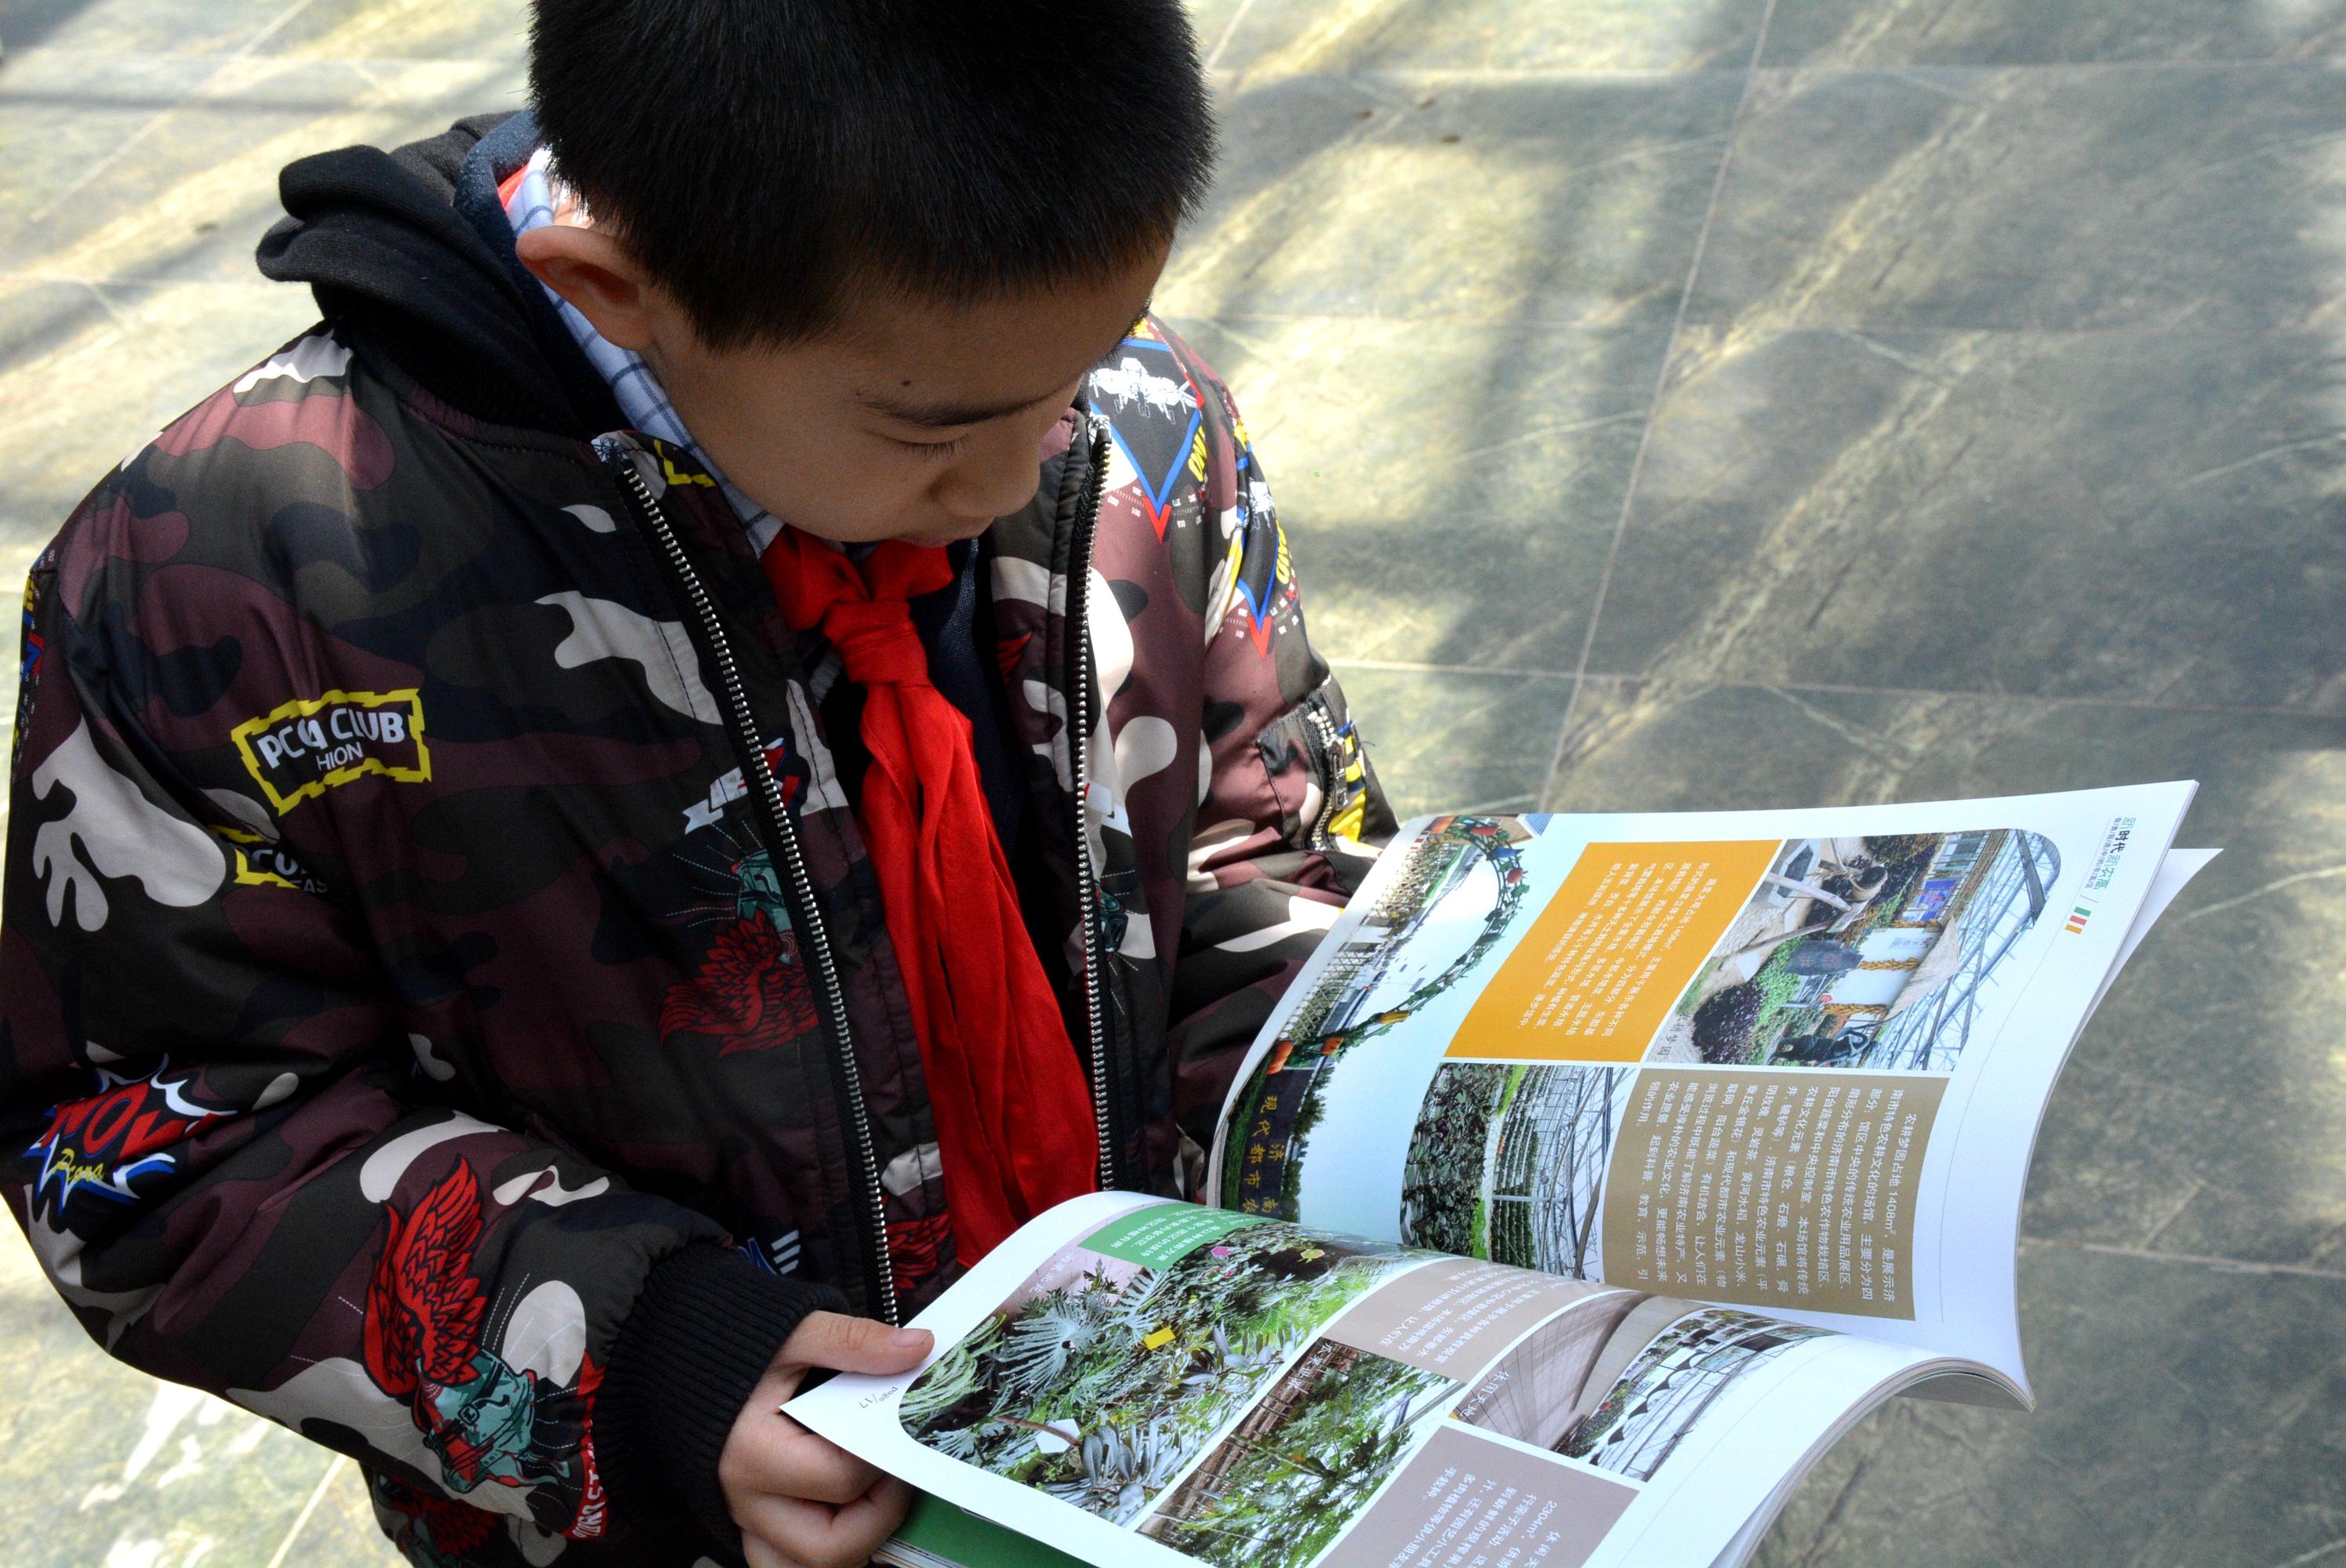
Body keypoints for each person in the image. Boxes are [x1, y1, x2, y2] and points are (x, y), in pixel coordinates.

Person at [0, 3, 1394, 1566]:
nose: (1024, 469)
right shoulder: (239, 582)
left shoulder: (1131, 421)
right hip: (684, 1508)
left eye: (1079, 364)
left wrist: (1353, 1096)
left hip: (1157, 1403)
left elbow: (1268, 821)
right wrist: (642, 1353)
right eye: (934, 429)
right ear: (617, 292)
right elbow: (154, 1140)